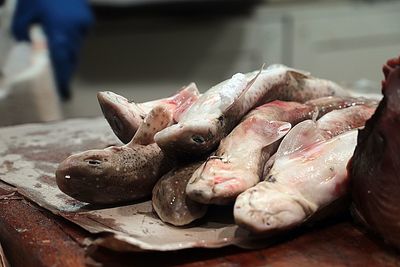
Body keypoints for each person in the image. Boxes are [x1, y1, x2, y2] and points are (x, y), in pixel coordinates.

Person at [12, 0, 94, 100]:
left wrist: (26, 39)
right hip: (82, 14)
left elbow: (19, 26)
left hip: (61, 19)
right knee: (69, 52)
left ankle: (59, 89)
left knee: (59, 54)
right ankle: (62, 88)